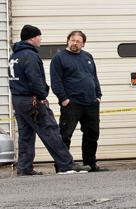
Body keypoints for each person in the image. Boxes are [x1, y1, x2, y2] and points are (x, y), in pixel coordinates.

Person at [7, 25, 81, 175]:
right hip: (32, 101)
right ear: (33, 38)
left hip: (18, 100)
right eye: (39, 36)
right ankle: (67, 165)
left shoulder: (14, 55)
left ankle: (24, 168)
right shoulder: (30, 55)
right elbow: (35, 79)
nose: (41, 39)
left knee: (26, 135)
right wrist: (42, 96)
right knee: (51, 131)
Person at [50, 29, 105, 172]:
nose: (74, 43)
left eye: (78, 41)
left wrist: (98, 95)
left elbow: (94, 77)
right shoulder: (59, 58)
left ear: (83, 44)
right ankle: (62, 165)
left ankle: (90, 163)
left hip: (91, 103)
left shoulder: (88, 57)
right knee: (65, 135)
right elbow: (56, 81)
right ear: (68, 41)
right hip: (72, 104)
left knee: (92, 134)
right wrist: (63, 99)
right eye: (72, 40)